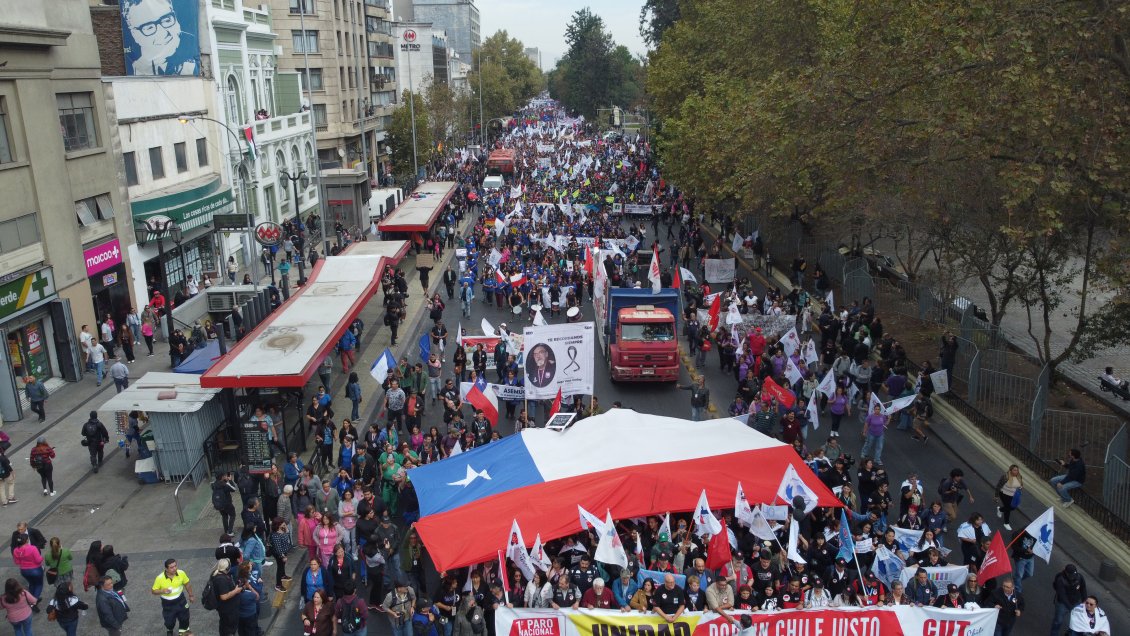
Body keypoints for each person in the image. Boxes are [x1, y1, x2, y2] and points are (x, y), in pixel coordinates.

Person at [122, 0, 200, 75]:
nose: (163, 33)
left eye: (167, 20)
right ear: (135, 35)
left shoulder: (193, 61)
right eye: (149, 28)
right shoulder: (134, 69)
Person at [151, 558, 194, 636]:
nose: (174, 568)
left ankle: (183, 632)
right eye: (171, 567)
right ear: (166, 569)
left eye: (175, 566)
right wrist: (162, 591)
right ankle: (169, 629)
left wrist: (191, 595)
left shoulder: (181, 573)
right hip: (168, 604)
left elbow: (187, 584)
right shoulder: (160, 578)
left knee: (184, 619)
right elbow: (153, 591)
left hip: (181, 601)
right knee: (169, 622)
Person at [1051, 564, 1088, 636]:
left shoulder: (1079, 577)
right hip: (1062, 603)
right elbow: (1062, 595)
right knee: (1058, 621)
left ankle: (1069, 633)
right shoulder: (1060, 579)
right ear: (1066, 573)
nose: (1073, 577)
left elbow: (1083, 588)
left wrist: (1084, 600)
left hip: (1076, 602)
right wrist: (1070, 607)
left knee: (1076, 621)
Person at [209, 559, 241, 636]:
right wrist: (236, 591)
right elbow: (224, 596)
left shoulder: (216, 574)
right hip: (227, 609)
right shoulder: (221, 579)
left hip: (225, 608)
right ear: (227, 568)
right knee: (228, 627)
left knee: (224, 625)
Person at [12, 535, 43, 611]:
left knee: (32, 584)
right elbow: (38, 560)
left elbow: (17, 562)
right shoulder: (33, 548)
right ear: (27, 540)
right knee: (39, 584)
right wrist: (42, 557)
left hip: (24, 571)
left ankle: (30, 599)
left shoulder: (15, 550)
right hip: (35, 570)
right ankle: (33, 602)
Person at [995, 464, 1023, 530]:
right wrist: (996, 496)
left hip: (1013, 495)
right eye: (1014, 470)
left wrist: (1020, 487)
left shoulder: (1019, 476)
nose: (1016, 471)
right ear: (1010, 470)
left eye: (1017, 470)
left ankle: (1000, 509)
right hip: (1004, 494)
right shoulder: (1005, 476)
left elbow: (1020, 484)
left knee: (1013, 507)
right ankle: (1006, 523)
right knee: (1008, 508)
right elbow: (998, 485)